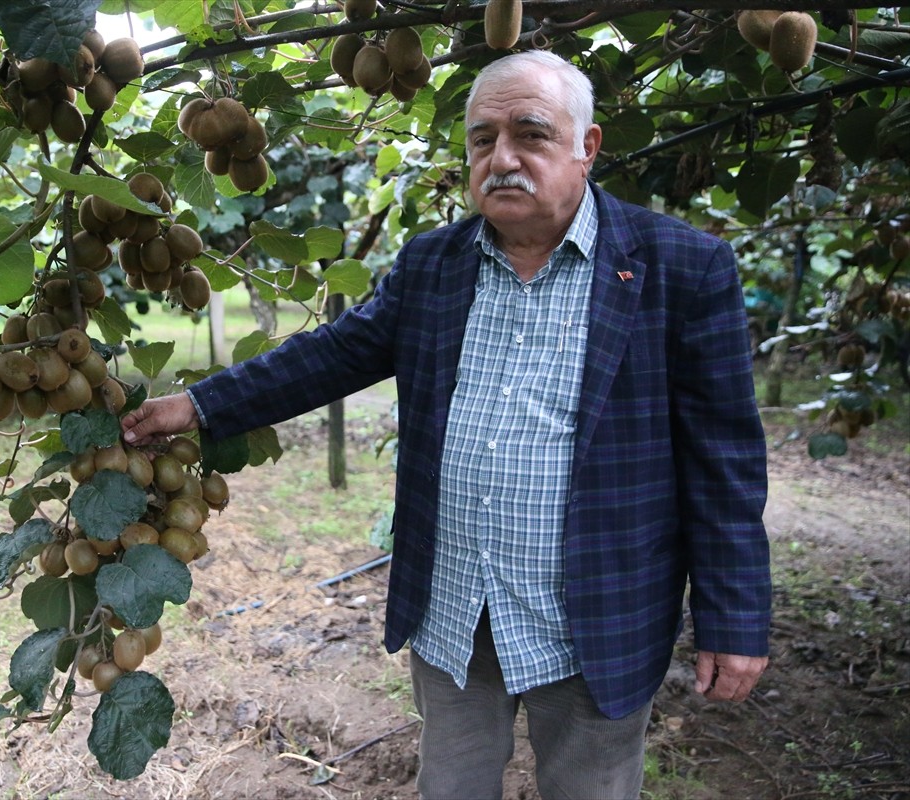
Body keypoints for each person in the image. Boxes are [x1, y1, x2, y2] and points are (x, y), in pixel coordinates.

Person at [123, 50, 771, 800]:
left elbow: (723, 458)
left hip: (596, 615)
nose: (502, 158)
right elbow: (332, 355)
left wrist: (735, 616)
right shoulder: (435, 263)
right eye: (481, 139)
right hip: (455, 604)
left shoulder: (682, 268)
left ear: (585, 148)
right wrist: (197, 405)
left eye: (529, 133)